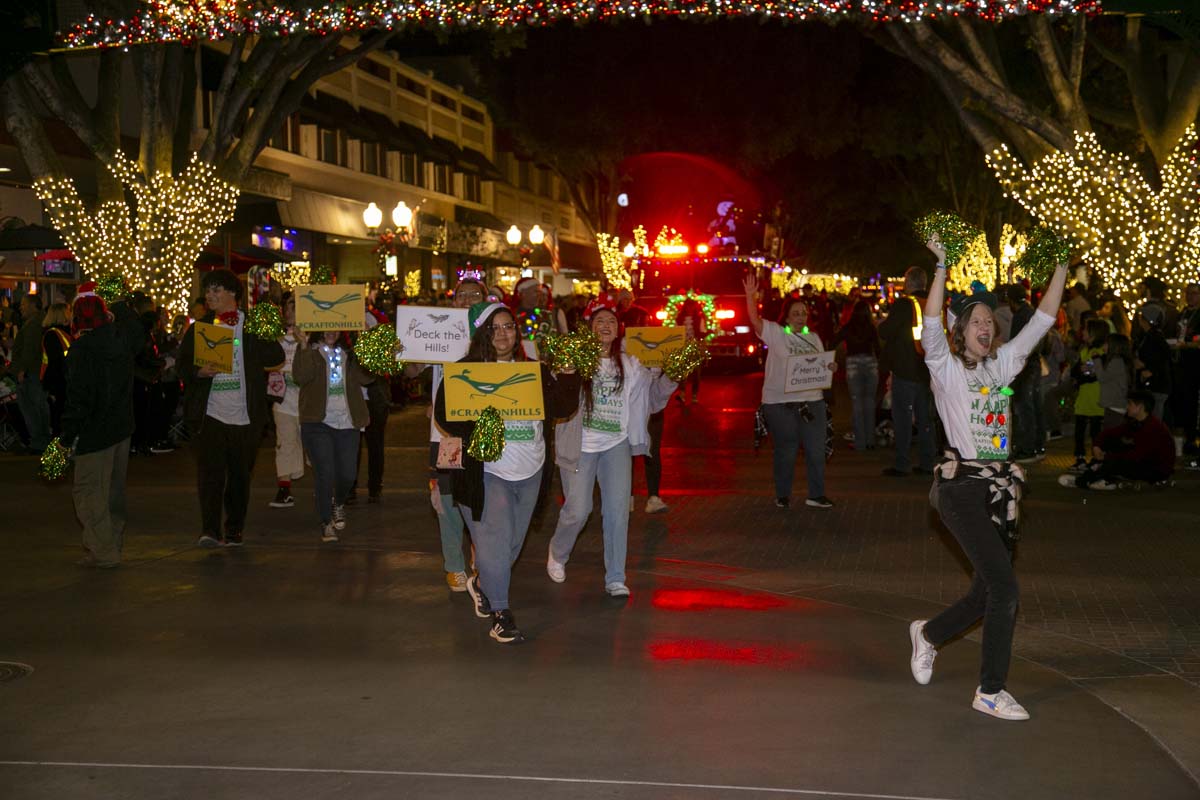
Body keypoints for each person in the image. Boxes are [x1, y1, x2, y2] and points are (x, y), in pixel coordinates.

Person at [907, 237, 1068, 722]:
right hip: (959, 489)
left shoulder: (1003, 365)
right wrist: (941, 267)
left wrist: (1060, 265)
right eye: (975, 321)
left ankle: (929, 635)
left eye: (989, 322)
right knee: (1006, 589)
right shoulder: (947, 370)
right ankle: (990, 690)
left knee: (985, 590)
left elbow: (1041, 319)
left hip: (1000, 492)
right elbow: (931, 324)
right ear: (961, 332)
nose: (985, 326)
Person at [434, 302, 580, 643]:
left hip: (530, 468)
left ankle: (483, 583)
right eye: (495, 328)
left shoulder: (535, 371)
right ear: (483, 333)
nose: (503, 334)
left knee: (511, 543)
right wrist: (478, 420)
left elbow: (562, 406)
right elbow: (444, 414)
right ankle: (501, 612)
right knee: (496, 542)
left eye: (509, 327)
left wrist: (571, 371)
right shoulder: (465, 370)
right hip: (487, 470)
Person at [548, 296, 676, 597]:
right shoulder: (577, 359)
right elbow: (556, 394)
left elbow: (654, 400)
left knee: (618, 511)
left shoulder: (632, 364)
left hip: (616, 444)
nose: (605, 325)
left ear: (619, 330)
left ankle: (615, 576)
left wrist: (672, 374)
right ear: (590, 328)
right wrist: (565, 369)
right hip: (580, 444)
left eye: (611, 321)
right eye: (599, 321)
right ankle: (558, 551)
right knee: (579, 510)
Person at [178, 269, 285, 548]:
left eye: (216, 290)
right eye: (208, 290)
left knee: (239, 476)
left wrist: (267, 332)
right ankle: (210, 530)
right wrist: (199, 372)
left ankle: (234, 528)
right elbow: (182, 367)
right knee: (210, 474)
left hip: (245, 415)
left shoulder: (250, 326)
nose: (210, 296)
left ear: (233, 295)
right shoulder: (200, 327)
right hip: (210, 413)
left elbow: (276, 356)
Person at [744, 274, 836, 509]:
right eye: (795, 313)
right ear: (786, 316)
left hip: (812, 402)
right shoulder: (776, 333)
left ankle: (816, 494)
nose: (800, 317)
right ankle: (783, 494)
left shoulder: (813, 337)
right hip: (781, 404)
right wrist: (750, 297)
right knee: (786, 451)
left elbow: (820, 365)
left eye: (803, 313)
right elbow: (755, 321)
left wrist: (830, 367)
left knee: (815, 451)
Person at [60, 285, 134, 568]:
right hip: (121, 427)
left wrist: (67, 436)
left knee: (89, 491)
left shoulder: (81, 350)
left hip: (93, 432)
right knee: (113, 492)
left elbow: (79, 398)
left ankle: (103, 551)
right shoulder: (120, 342)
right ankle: (106, 543)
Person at [421, 277, 485, 591]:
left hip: (485, 432)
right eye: (463, 295)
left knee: (481, 495)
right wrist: (404, 349)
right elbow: (410, 370)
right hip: (445, 433)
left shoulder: (495, 335)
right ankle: (453, 565)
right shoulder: (439, 332)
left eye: (476, 295)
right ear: (453, 301)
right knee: (446, 498)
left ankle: (481, 554)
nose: (469, 299)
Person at [292, 330, 373, 542]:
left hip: (348, 423)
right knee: (324, 473)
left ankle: (338, 503)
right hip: (317, 422)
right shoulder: (311, 351)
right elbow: (300, 376)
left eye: (336, 326)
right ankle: (326, 521)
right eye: (327, 326)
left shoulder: (351, 353)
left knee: (348, 474)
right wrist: (302, 346)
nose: (331, 331)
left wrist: (366, 349)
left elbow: (367, 378)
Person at [879, 267, 935, 476]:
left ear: (908, 283)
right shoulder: (933, 303)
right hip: (928, 370)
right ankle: (928, 462)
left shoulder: (904, 304)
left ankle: (902, 464)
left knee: (902, 418)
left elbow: (886, 331)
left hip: (905, 369)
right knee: (925, 419)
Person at [1058, 391, 1174, 491]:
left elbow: (1139, 455)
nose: (1127, 407)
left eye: (1130, 404)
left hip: (1156, 470)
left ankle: (1090, 480)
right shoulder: (1136, 423)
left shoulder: (1153, 428)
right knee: (1112, 444)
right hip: (1145, 462)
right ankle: (1099, 479)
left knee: (1116, 460)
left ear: (1140, 407)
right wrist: (1097, 446)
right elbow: (1110, 433)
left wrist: (1108, 457)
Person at [620, 299, 670, 514]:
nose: (647, 327)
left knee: (652, 451)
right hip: (629, 408)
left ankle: (653, 496)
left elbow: (661, 375)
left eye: (648, 323)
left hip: (652, 406)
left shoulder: (656, 344)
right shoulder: (621, 346)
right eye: (642, 323)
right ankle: (626, 495)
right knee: (626, 452)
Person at [268, 293, 304, 508]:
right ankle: (284, 488)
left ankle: (325, 487)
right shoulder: (276, 338)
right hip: (283, 401)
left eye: (293, 306)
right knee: (284, 444)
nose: (288, 311)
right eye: (286, 306)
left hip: (309, 403)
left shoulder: (312, 337)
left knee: (313, 447)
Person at [831, 298, 880, 452]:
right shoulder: (872, 328)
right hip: (870, 363)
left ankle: (860, 442)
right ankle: (871, 440)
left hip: (852, 363)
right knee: (869, 401)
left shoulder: (848, 327)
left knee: (857, 402)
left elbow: (833, 342)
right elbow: (878, 349)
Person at [1007, 284, 1045, 463]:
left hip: (1025, 364)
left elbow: (1016, 343)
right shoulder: (1032, 312)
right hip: (1034, 362)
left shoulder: (1020, 316)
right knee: (1034, 405)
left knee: (1024, 406)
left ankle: (1027, 448)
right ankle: (1038, 445)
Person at [1068, 319, 1109, 473]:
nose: (1082, 332)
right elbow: (1077, 371)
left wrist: (1082, 372)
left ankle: (1097, 458)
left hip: (1096, 396)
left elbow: (1093, 375)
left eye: (1085, 329)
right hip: (1084, 396)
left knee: (1095, 431)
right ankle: (1079, 458)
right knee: (1079, 430)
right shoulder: (1085, 350)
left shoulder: (1099, 353)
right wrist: (1082, 371)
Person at [13, 293, 51, 453]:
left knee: (32, 408)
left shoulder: (34, 323)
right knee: (36, 407)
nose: (21, 307)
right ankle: (40, 440)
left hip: (31, 373)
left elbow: (30, 348)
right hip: (34, 372)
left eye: (23, 304)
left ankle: (39, 442)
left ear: (32, 306)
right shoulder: (36, 321)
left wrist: (22, 369)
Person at [40, 302, 73, 436]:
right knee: (58, 422)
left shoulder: (61, 334)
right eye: (69, 311)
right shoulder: (53, 335)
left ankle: (60, 453)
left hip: (63, 383)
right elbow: (55, 363)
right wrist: (53, 389)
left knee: (61, 421)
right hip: (59, 384)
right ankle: (56, 455)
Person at [1134, 303, 1171, 421]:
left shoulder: (1155, 337)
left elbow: (1164, 357)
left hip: (1157, 385)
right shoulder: (1146, 335)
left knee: (1154, 418)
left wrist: (1149, 368)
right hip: (1151, 384)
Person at [1093, 333, 1132, 431]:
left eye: (1106, 344)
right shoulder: (1120, 361)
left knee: (1110, 437)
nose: (1103, 346)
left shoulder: (1116, 361)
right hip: (1117, 405)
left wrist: (1096, 359)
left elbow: (1102, 378)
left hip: (1115, 406)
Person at [673, 298, 707, 405]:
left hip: (695, 347)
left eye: (691, 306)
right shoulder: (679, 319)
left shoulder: (699, 319)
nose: (689, 308)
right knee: (683, 373)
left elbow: (702, 332)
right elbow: (675, 332)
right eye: (688, 306)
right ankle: (682, 394)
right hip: (683, 347)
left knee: (696, 373)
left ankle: (694, 395)